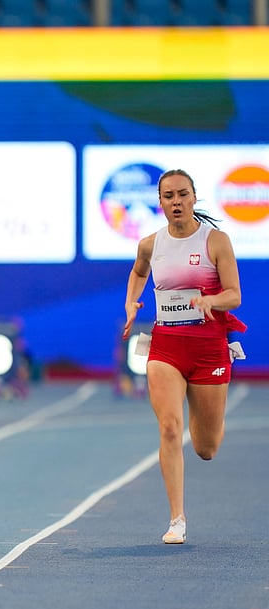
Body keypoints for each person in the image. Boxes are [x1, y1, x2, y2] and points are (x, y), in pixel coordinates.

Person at [121, 168, 245, 545]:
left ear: (194, 198)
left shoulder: (216, 241)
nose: (176, 202)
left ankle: (211, 416)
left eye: (182, 195)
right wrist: (131, 303)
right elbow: (138, 272)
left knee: (206, 447)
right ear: (159, 202)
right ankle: (177, 519)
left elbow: (235, 295)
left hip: (208, 348)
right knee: (170, 427)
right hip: (166, 347)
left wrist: (210, 300)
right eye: (168, 196)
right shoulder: (150, 244)